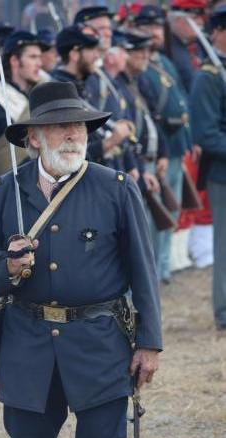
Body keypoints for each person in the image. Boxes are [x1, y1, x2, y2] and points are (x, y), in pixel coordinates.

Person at [0, 81, 162, 438]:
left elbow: (144, 271)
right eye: (61, 126)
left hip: (99, 341)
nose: (75, 134)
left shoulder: (116, 187)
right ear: (34, 138)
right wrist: (9, 266)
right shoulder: (6, 191)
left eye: (80, 125)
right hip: (26, 343)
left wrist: (150, 343)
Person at [134, 5, 191, 283]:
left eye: (157, 28)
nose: (155, 33)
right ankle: (155, 269)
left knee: (172, 208)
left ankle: (164, 267)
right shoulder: (142, 69)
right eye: (149, 28)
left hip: (176, 144)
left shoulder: (165, 62)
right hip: (159, 146)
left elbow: (180, 96)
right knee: (156, 214)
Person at [190, 6, 226, 333]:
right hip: (222, 174)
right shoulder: (208, 77)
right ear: (218, 32)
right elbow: (206, 133)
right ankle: (224, 313)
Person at [52, 24, 134, 165]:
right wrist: (109, 142)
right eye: (90, 49)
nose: (97, 55)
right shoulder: (58, 91)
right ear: (74, 55)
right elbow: (70, 150)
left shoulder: (81, 85)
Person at [0, 30, 44, 177]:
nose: (39, 63)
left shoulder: (35, 95)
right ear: (14, 60)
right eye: (33, 57)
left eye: (40, 57)